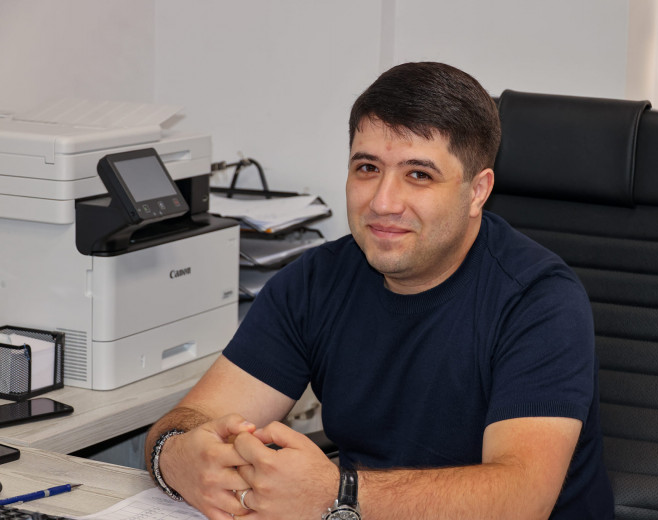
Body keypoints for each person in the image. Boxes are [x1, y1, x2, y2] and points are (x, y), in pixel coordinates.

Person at [145, 61, 614, 520]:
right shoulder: (316, 282)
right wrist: (178, 457)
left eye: (418, 174)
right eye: (367, 167)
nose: (383, 202)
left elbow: (520, 500)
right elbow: (188, 419)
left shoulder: (539, 300)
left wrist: (336, 493)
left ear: (477, 191)